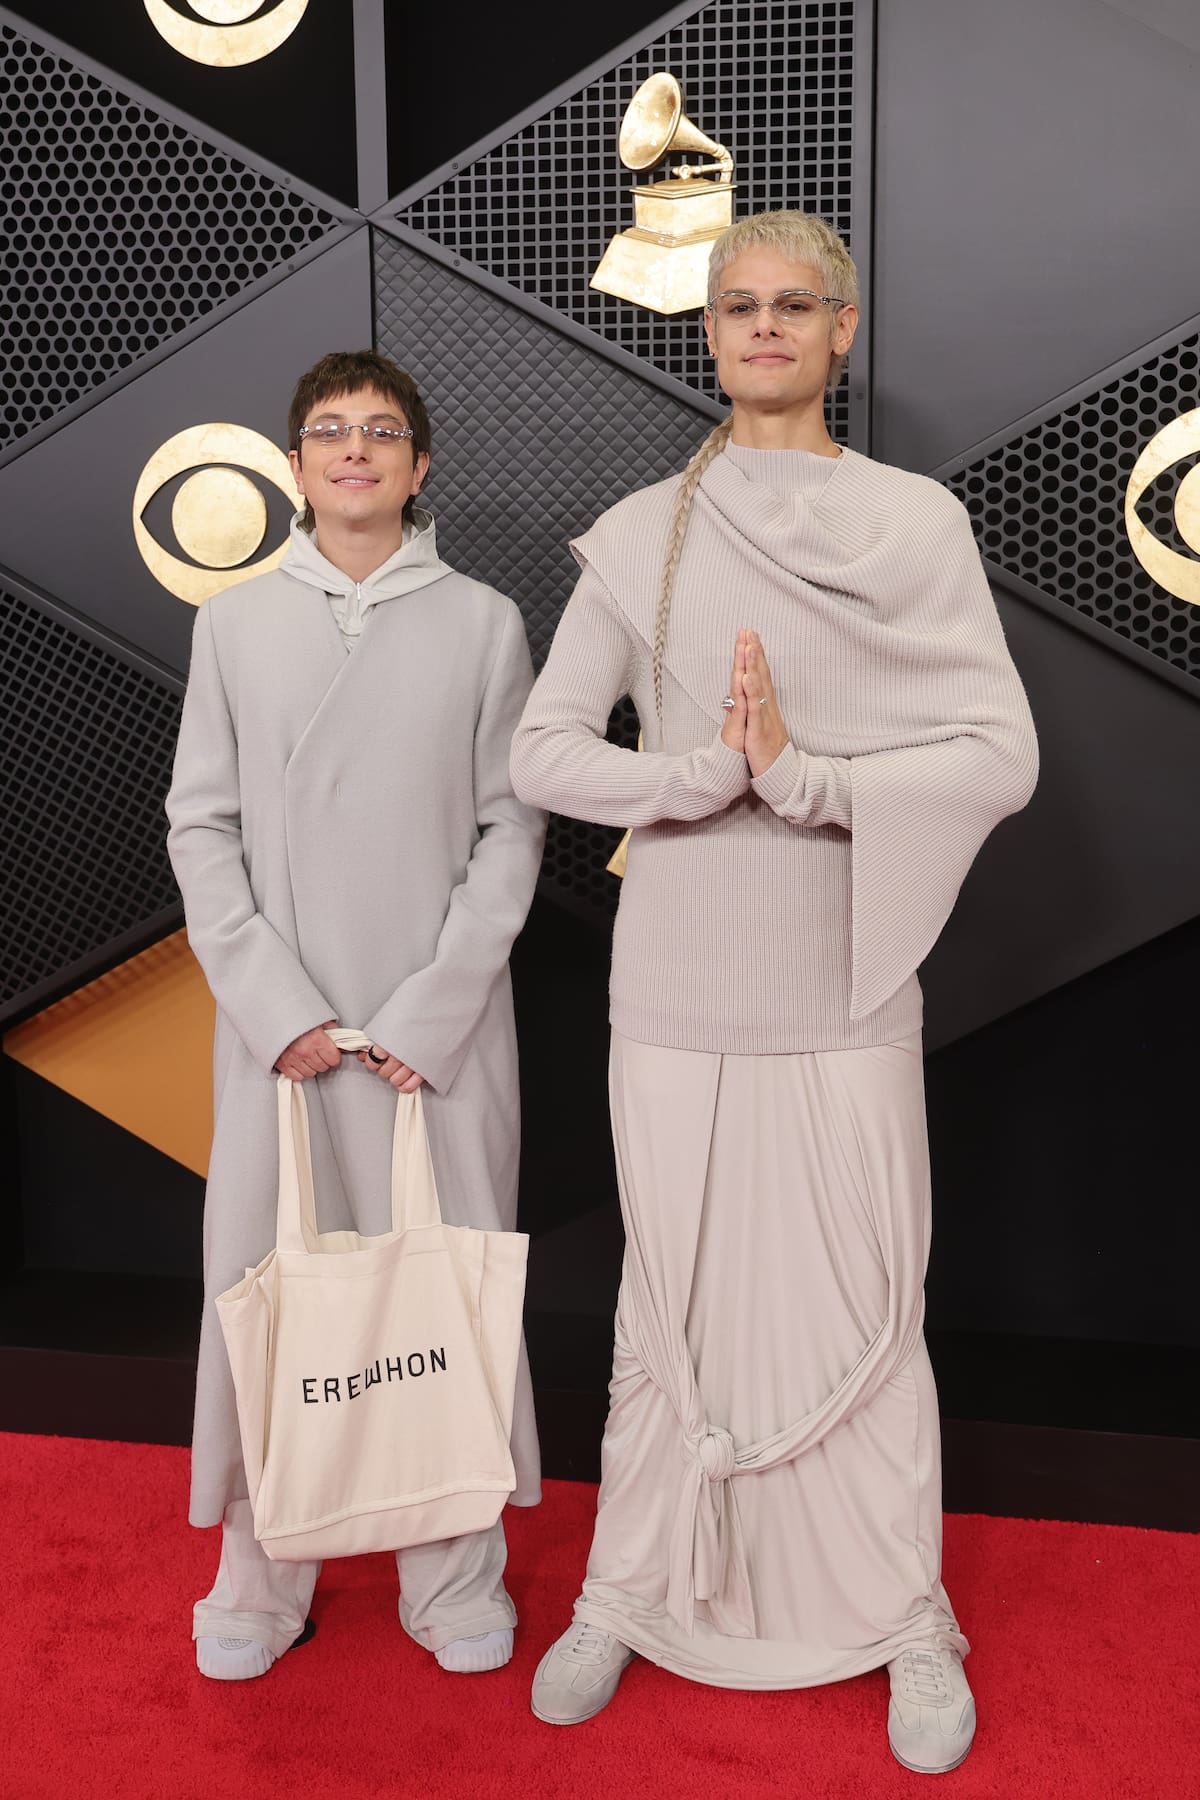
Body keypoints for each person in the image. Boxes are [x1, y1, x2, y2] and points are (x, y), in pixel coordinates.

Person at [509, 211, 1038, 1773]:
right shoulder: (642, 532)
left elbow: (999, 754)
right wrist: (696, 775)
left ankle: (901, 1615)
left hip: (845, 974)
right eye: (736, 306)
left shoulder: (916, 525)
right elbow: (543, 748)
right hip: (677, 983)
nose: (761, 328)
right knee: (663, 1302)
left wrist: (807, 780)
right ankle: (630, 1590)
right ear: (713, 330)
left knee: (869, 1304)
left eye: (792, 304)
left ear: (843, 328)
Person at [167, 349, 546, 1681]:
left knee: (439, 1297)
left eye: (380, 432)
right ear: (294, 463)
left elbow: (512, 831)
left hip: (430, 1037)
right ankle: (263, 1578)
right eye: (328, 431)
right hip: (280, 1033)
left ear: (419, 464)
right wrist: (275, 1004)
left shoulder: (486, 622)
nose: (353, 452)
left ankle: (454, 1572)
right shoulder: (233, 622)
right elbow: (199, 825)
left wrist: (428, 1011)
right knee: (272, 1294)